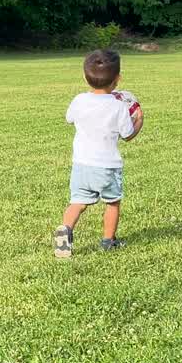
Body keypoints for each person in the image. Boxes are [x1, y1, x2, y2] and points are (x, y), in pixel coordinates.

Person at [53, 49, 142, 258]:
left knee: (78, 202)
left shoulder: (79, 100)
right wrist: (138, 119)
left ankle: (65, 230)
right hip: (107, 166)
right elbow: (127, 135)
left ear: (85, 77)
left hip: (81, 165)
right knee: (112, 203)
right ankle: (108, 241)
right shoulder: (119, 107)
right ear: (118, 79)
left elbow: (69, 118)